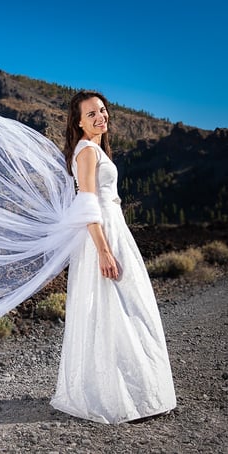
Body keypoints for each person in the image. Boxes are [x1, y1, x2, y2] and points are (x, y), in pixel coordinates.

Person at [49, 91, 177, 424]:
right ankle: (119, 396)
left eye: (102, 111)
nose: (100, 117)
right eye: (91, 114)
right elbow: (88, 203)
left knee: (121, 311)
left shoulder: (94, 150)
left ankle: (130, 392)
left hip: (112, 230)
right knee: (120, 310)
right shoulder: (87, 151)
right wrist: (104, 251)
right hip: (103, 236)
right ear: (78, 122)